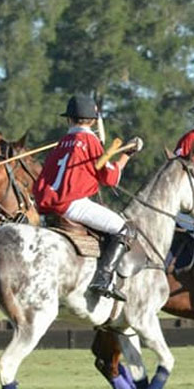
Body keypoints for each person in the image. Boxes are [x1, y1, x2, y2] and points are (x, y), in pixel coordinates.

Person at [32, 95, 142, 299]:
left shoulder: (62, 142)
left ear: (69, 119)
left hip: (44, 206)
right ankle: (104, 278)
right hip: (71, 204)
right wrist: (127, 155)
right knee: (125, 229)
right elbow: (110, 178)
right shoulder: (90, 140)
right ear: (92, 120)